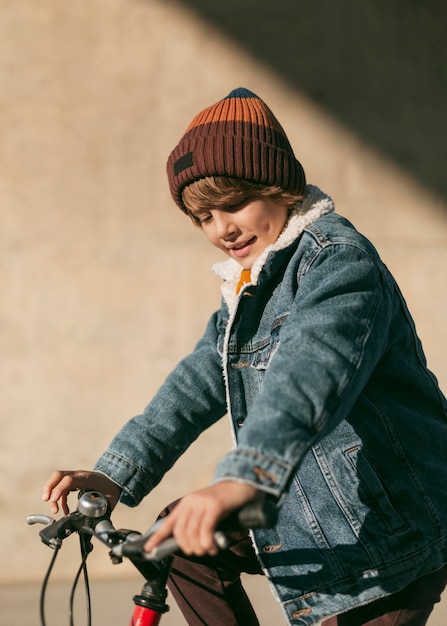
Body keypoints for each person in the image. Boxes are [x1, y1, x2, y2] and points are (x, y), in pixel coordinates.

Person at [42, 87, 447, 626]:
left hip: (386, 520)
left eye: (233, 204)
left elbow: (311, 372)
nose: (221, 229)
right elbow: (194, 384)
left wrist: (245, 477)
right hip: (309, 500)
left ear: (279, 186)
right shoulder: (252, 285)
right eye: (203, 217)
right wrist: (116, 473)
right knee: (177, 544)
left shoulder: (338, 264)